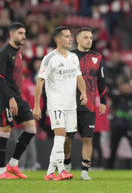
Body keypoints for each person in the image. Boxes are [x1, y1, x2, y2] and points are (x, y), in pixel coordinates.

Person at [33, 26, 87, 181]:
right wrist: (37, 106)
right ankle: (62, 170)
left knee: (65, 138)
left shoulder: (73, 57)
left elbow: (79, 77)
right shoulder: (50, 59)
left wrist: (83, 92)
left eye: (70, 36)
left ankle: (50, 172)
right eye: (67, 36)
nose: (71, 39)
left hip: (71, 105)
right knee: (60, 135)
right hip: (56, 103)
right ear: (58, 39)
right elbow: (39, 83)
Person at [63, 27, 107, 180]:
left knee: (88, 139)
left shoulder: (98, 57)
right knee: (67, 138)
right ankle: (67, 165)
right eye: (86, 37)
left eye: (91, 37)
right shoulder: (68, 56)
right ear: (78, 40)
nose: (89, 40)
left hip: (88, 106)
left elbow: (102, 81)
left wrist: (103, 101)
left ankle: (84, 172)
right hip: (70, 104)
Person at [0, 22, 36, 179]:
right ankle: (1, 171)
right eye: (21, 33)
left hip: (20, 99)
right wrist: (11, 99)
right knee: (4, 133)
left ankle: (13, 164)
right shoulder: (4, 52)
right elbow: (0, 78)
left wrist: (18, 98)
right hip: (7, 99)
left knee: (31, 130)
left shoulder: (19, 52)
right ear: (12, 34)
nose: (24, 36)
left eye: (25, 33)